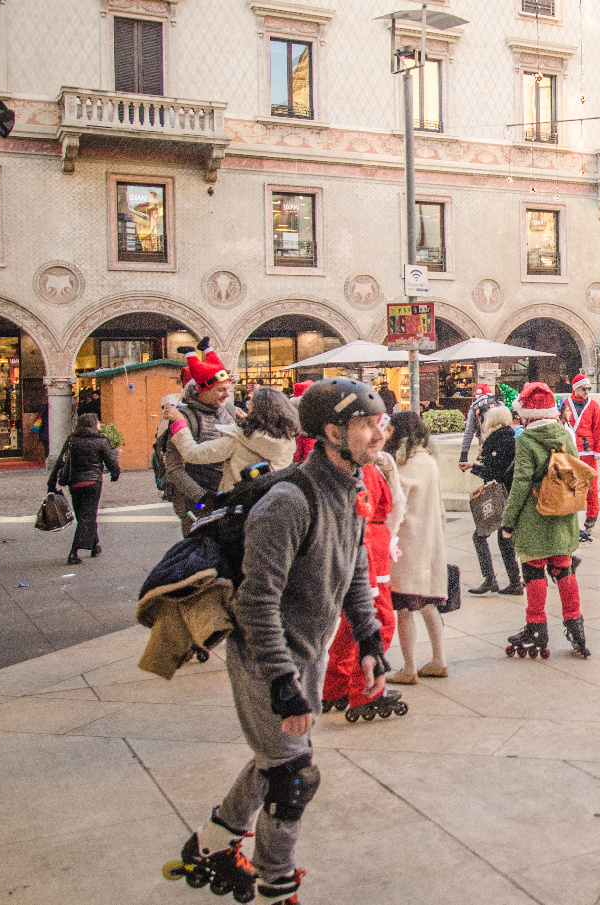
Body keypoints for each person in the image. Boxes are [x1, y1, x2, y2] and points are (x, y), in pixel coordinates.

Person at [166, 377, 388, 905]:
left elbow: (354, 566)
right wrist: (282, 683)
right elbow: (255, 603)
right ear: (332, 432)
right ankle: (276, 883)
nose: (379, 434)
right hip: (265, 660)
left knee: (279, 759)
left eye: (377, 422)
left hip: (306, 653)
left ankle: (211, 844)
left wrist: (369, 637)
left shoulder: (350, 487)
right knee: (293, 776)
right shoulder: (289, 501)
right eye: (365, 424)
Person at [321, 441, 410, 722]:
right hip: (371, 551)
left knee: (352, 624)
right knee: (379, 621)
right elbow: (367, 516)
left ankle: (335, 685)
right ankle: (365, 691)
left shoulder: (358, 467)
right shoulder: (367, 470)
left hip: (371, 547)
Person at [502, 382, 589, 658]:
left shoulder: (526, 440)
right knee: (564, 567)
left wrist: (508, 522)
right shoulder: (565, 435)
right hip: (563, 514)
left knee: (534, 568)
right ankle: (576, 628)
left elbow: (520, 483)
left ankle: (536, 627)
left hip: (535, 515)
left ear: (527, 414)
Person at [384, 412, 449, 684]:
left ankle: (409, 667)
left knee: (404, 608)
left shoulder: (403, 465)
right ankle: (439, 660)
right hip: (430, 542)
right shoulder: (429, 461)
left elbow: (394, 506)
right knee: (428, 604)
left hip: (408, 544)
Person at [162, 345, 239, 536]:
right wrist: (203, 497)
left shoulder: (229, 410)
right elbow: (174, 468)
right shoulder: (183, 418)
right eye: (221, 389)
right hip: (196, 501)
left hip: (226, 494)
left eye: (228, 389)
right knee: (199, 545)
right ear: (204, 389)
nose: (227, 394)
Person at [163, 386, 299, 492]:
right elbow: (264, 436)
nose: (247, 407)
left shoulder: (239, 440)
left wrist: (180, 423)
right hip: (271, 500)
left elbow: (193, 453)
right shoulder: (288, 440)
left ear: (257, 412)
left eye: (250, 405)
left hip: (240, 504)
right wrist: (252, 422)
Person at [49, 413, 120, 565]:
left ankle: (95, 545)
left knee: (84, 515)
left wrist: (52, 482)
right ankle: (73, 552)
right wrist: (115, 473)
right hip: (92, 482)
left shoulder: (72, 440)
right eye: (98, 422)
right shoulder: (101, 441)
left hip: (74, 483)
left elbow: (60, 461)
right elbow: (111, 461)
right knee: (87, 516)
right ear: (94, 424)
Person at [468, 405, 523, 595]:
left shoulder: (495, 440)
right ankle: (515, 582)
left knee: (480, 536)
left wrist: (474, 468)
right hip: (511, 494)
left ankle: (492, 579)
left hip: (499, 497)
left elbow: (492, 473)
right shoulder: (512, 437)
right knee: (505, 537)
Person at [560, 373, 600, 533]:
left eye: (589, 388)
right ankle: (571, 518)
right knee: (570, 485)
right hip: (571, 450)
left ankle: (592, 515)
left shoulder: (593, 405)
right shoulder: (565, 404)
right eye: (584, 389)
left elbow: (598, 429)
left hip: (589, 450)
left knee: (591, 485)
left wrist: (599, 451)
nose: (587, 391)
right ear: (575, 388)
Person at [457, 383, 501, 472]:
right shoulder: (499, 404)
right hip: (501, 444)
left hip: (484, 444)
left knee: (487, 471)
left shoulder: (474, 407)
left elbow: (469, 432)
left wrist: (463, 455)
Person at [290, 381, 316, 463]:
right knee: (309, 455)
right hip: (309, 433)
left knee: (296, 454)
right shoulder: (314, 402)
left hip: (295, 433)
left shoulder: (292, 402)